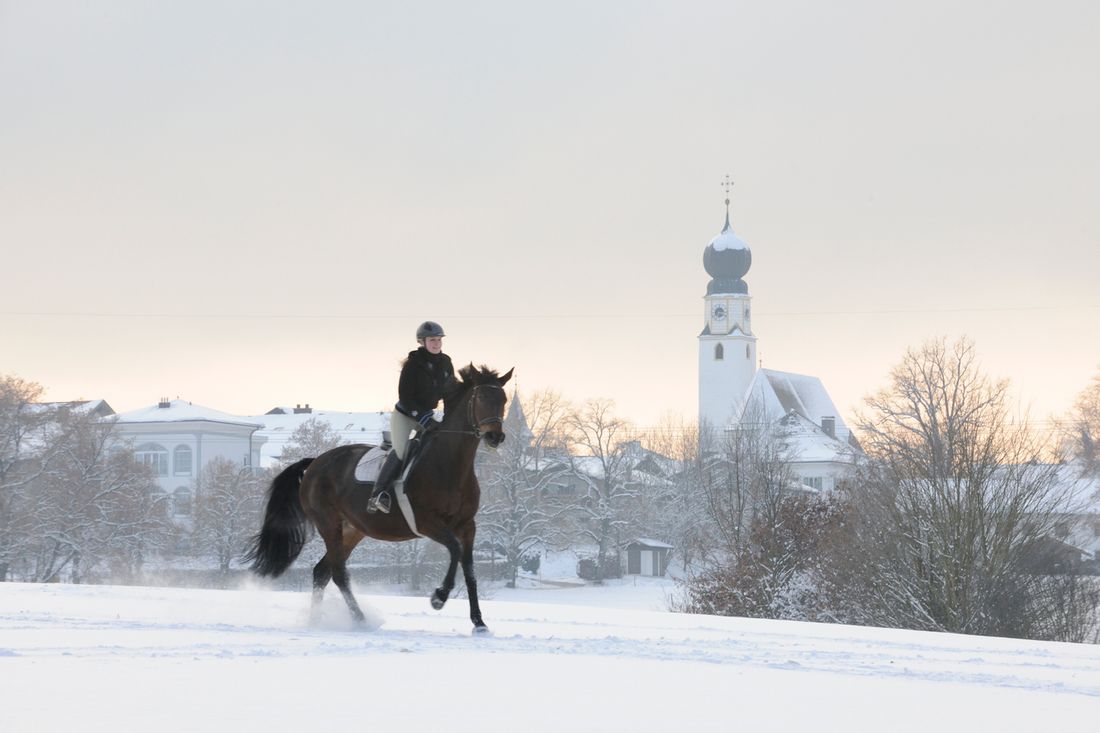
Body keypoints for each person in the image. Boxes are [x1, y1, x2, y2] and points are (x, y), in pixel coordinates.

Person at [367, 320, 455, 513]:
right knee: (401, 451)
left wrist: (449, 417)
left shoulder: (446, 363)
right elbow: (405, 397)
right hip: (405, 415)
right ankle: (379, 494)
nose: (437, 344)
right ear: (422, 342)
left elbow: (450, 392)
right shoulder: (412, 365)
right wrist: (421, 417)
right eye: (432, 340)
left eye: (439, 340)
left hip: (428, 415)